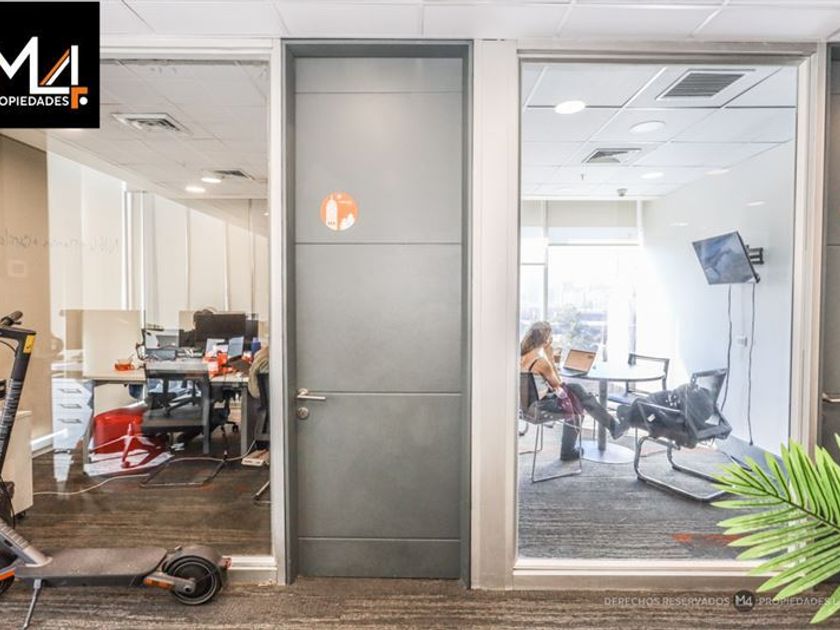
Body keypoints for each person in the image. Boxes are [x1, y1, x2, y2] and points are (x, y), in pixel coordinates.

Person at [520, 321, 629, 461]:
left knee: (576, 389)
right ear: (546, 340)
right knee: (577, 405)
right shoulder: (541, 361)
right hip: (539, 408)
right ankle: (568, 451)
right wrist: (550, 357)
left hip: (525, 407)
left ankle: (613, 427)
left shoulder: (520, 357)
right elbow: (559, 385)